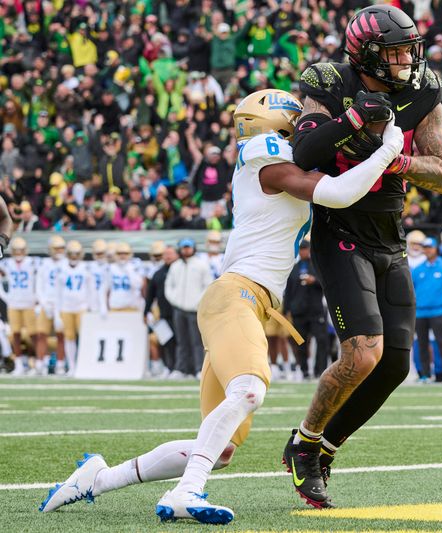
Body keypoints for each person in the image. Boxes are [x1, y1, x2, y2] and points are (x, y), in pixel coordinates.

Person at [40, 88, 404, 522]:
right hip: (237, 295)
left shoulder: (271, 165)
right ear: (280, 127)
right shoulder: (268, 165)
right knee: (250, 389)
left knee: (223, 447)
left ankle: (98, 478)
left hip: (243, 302)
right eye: (298, 125)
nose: (307, 132)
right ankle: (187, 492)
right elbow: (340, 194)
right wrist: (387, 152)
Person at [284, 4, 442, 508]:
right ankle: (306, 442)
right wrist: (354, 120)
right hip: (340, 229)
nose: (406, 61)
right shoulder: (328, 80)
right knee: (362, 352)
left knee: (394, 366)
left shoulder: (422, 89)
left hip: (390, 233)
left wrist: (395, 158)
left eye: (409, 49)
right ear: (365, 55)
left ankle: (324, 446)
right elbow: (305, 151)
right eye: (395, 51)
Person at [412, 237, 442, 383]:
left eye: (430, 247)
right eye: (425, 247)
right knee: (422, 345)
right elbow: (411, 292)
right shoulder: (418, 269)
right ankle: (425, 374)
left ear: (436, 249)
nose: (427, 250)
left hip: (440, 311)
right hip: (420, 312)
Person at [165, 238, 213, 379]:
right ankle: (181, 369)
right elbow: (169, 286)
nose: (186, 250)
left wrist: (197, 303)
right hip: (179, 309)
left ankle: (199, 368)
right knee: (181, 340)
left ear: (193, 248)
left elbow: (207, 286)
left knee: (197, 341)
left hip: (195, 310)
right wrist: (175, 300)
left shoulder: (201, 265)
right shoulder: (175, 266)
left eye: (188, 247)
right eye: (184, 248)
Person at [284, 240, 330, 379]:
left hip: (316, 310)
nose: (304, 252)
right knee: (300, 342)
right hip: (299, 311)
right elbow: (289, 291)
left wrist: (314, 280)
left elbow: (326, 284)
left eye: (306, 249)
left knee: (322, 340)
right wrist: (286, 310)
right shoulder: (294, 268)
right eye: (302, 249)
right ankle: (303, 370)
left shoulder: (317, 265)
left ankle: (319, 370)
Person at [54, 241, 101, 376]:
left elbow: (92, 290)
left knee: (84, 336)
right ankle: (72, 366)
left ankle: (84, 364)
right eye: (71, 254)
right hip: (66, 307)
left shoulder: (86, 268)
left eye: (76, 254)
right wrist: (57, 314)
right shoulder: (61, 268)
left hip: (82, 307)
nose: (74, 256)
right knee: (69, 338)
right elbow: (57, 293)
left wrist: (93, 308)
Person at [0, 237, 37, 374]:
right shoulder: (7, 263)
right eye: (16, 250)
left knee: (33, 334)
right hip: (14, 303)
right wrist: (4, 295)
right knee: (15, 334)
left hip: (28, 302)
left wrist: (36, 296)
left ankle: (36, 362)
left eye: (21, 250)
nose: (19, 253)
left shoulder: (33, 262)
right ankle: (19, 363)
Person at [35, 236, 67, 375]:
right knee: (41, 334)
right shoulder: (44, 264)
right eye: (57, 248)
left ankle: (60, 364)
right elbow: (39, 285)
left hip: (62, 305)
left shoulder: (67, 264)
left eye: (61, 248)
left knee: (61, 335)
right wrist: (43, 302)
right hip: (47, 303)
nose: (59, 251)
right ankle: (40, 364)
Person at [144, 246, 178, 378]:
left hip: (181, 311)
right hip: (164, 313)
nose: (168, 257)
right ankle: (169, 367)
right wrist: (146, 311)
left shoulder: (181, 270)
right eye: (166, 254)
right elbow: (150, 295)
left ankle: (183, 368)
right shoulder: (158, 273)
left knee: (181, 342)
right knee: (165, 341)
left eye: (171, 254)